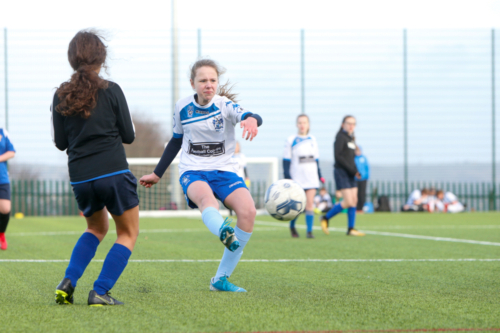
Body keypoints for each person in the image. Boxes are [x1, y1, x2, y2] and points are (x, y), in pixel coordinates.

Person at [139, 58, 263, 292]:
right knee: (207, 200)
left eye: (213, 80)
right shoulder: (182, 107)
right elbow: (176, 141)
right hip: (193, 170)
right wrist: (157, 173)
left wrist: (252, 120)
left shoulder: (224, 105)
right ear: (192, 83)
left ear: (218, 83)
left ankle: (220, 280)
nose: (209, 84)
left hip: (225, 170)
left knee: (248, 212)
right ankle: (223, 231)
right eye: (203, 80)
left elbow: (249, 114)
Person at [52, 30, 139, 306]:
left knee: (96, 229)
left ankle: (68, 281)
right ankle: (100, 290)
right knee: (127, 233)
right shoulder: (111, 90)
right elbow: (128, 135)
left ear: (72, 60)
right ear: (101, 58)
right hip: (112, 172)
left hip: (80, 178)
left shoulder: (60, 95)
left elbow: (61, 143)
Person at [320, 115, 365, 236]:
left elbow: (351, 158)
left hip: (351, 173)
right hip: (342, 172)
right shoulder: (340, 137)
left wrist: (356, 171)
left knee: (354, 201)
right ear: (343, 124)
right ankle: (325, 217)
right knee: (349, 201)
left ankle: (351, 229)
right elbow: (338, 157)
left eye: (353, 124)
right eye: (348, 123)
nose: (351, 126)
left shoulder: (351, 139)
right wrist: (352, 170)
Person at [283, 114, 325, 238]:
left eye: (305, 123)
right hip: (297, 178)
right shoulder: (291, 140)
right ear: (297, 124)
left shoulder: (313, 139)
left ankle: (309, 231)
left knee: (309, 204)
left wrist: (320, 175)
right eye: (300, 122)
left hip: (311, 177)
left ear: (308, 125)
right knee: (297, 206)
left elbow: (316, 160)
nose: (302, 125)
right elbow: (286, 161)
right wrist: (287, 177)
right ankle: (292, 226)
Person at [0, 129, 15, 250]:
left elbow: (11, 152)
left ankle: (1, 234)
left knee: (5, 209)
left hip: (2, 178)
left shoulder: (3, 132)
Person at [354, 145, 369, 212]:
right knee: (355, 194)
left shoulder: (364, 158)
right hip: (355, 179)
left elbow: (367, 168)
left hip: (363, 179)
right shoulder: (353, 158)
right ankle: (356, 208)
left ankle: (360, 208)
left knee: (362, 194)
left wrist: (366, 176)